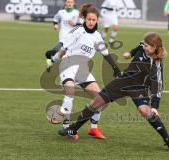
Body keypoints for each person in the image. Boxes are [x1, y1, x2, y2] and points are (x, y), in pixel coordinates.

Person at [59, 32, 169, 152]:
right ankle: (73, 129)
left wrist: (155, 106)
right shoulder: (143, 47)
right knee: (97, 101)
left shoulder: (156, 63)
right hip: (123, 81)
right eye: (144, 44)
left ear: (154, 47)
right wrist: (130, 54)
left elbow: (158, 85)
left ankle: (168, 140)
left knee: (145, 111)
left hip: (139, 88)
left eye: (147, 45)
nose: (144, 46)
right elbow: (138, 47)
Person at [52, 3, 121, 139]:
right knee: (70, 90)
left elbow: (106, 54)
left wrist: (116, 69)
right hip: (68, 64)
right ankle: (67, 127)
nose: (91, 22)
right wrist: (54, 50)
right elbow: (63, 43)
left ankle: (93, 128)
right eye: (88, 19)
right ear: (84, 19)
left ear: (97, 21)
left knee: (101, 97)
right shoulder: (78, 31)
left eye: (93, 20)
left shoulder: (97, 37)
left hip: (83, 69)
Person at [45, 0, 82, 70]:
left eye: (71, 2)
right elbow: (55, 19)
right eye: (68, 2)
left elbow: (82, 24)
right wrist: (55, 25)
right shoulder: (61, 12)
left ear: (74, 3)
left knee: (64, 53)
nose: (69, 3)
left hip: (73, 37)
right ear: (65, 3)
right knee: (59, 50)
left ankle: (51, 63)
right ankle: (52, 62)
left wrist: (75, 24)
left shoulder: (77, 13)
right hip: (63, 36)